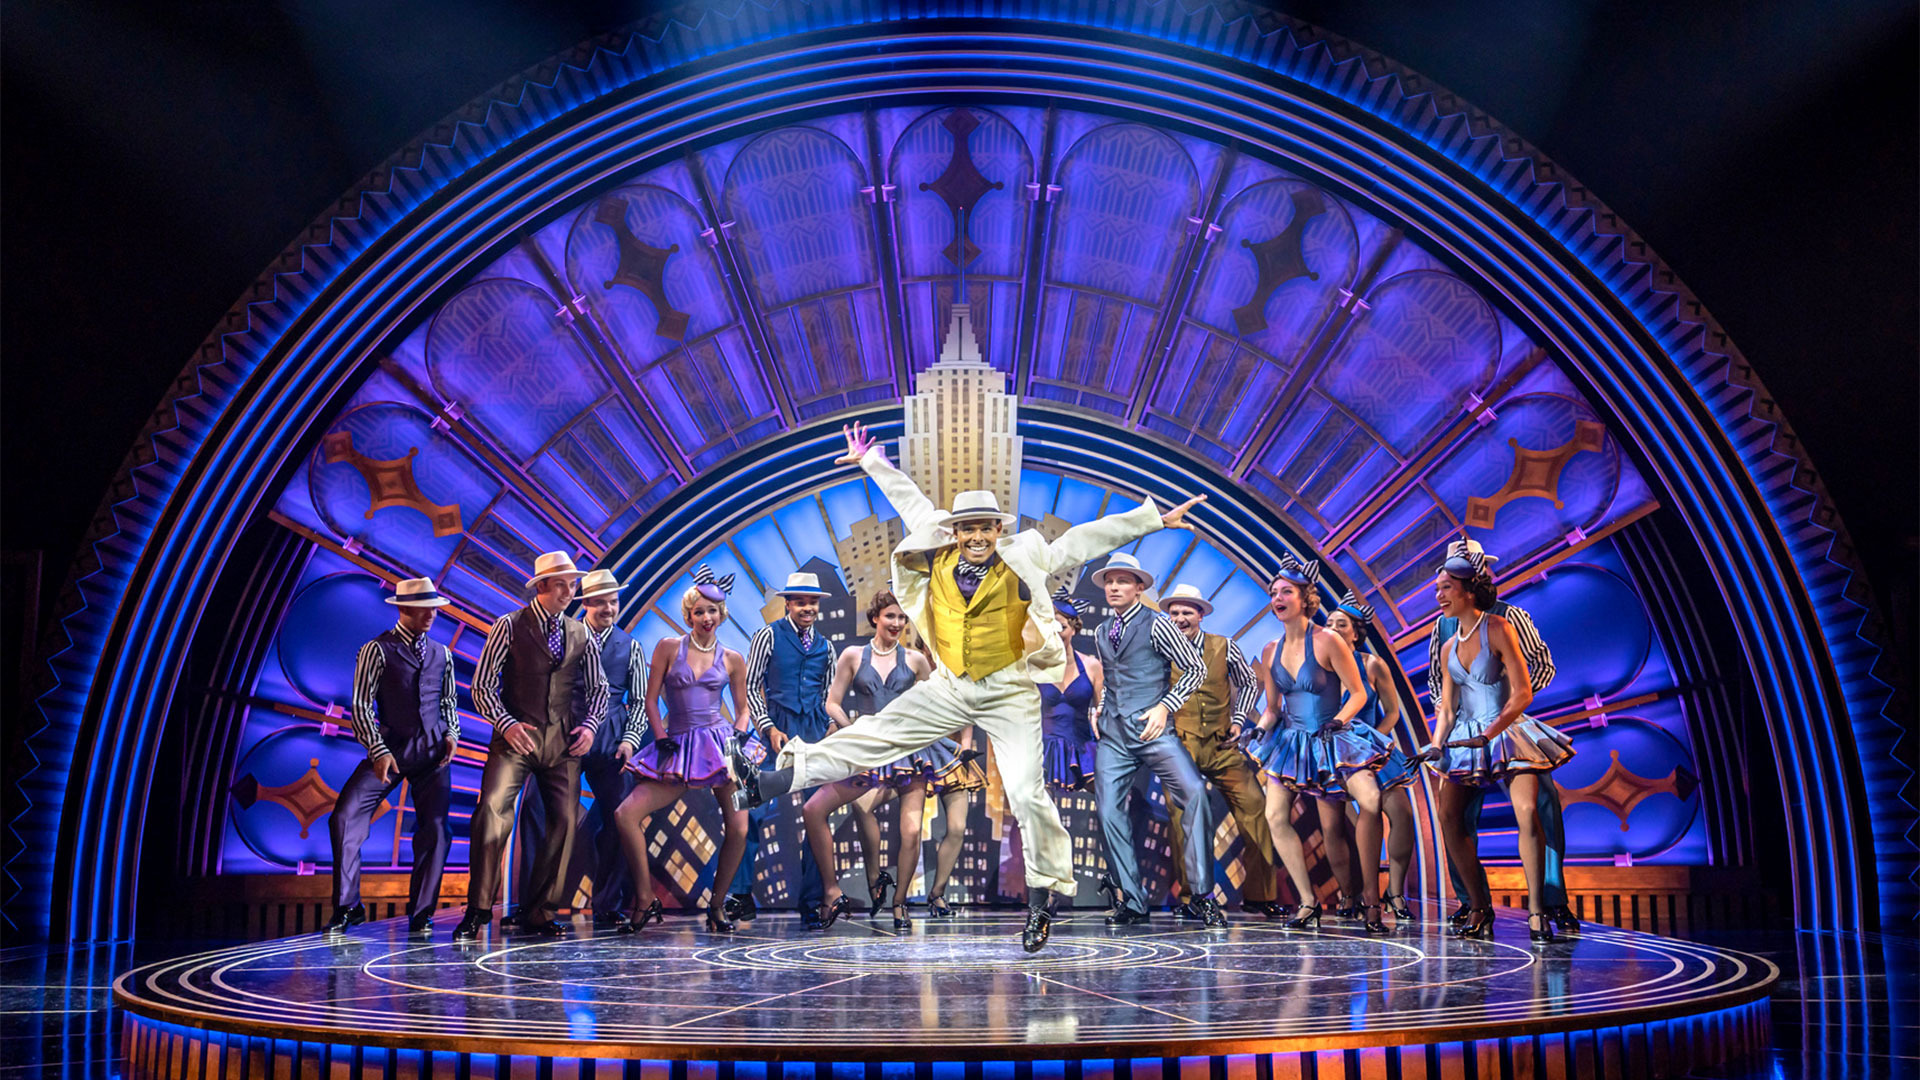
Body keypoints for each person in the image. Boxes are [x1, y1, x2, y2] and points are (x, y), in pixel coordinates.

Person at [729, 421, 1206, 951]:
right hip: (954, 683)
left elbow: (1078, 541)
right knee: (874, 735)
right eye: (968, 527)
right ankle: (773, 781)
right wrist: (871, 462)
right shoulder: (936, 549)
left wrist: (1151, 520)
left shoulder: (1023, 551)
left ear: (998, 529)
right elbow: (909, 501)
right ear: (955, 530)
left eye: (986, 527)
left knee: (1027, 791)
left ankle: (1042, 899)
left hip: (1008, 687)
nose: (977, 536)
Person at [1425, 537, 1578, 935]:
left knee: (1539, 804)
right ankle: (1471, 902)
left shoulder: (1509, 619)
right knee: (1453, 815)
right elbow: (1439, 687)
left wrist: (1507, 703)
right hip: (1465, 729)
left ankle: (1549, 900)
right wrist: (1448, 733)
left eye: (1451, 580)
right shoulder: (1443, 630)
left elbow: (1539, 668)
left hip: (1509, 724)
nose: (1441, 592)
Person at [803, 591, 981, 929]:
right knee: (836, 808)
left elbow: (936, 704)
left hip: (908, 753)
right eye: (890, 617)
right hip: (868, 750)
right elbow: (832, 703)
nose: (897, 623)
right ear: (875, 618)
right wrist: (850, 727)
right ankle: (867, 881)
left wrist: (956, 735)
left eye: (902, 618)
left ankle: (899, 903)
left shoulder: (915, 660)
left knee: (911, 831)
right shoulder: (853, 656)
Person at [458, 551, 610, 940]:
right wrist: (506, 725)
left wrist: (590, 727)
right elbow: (481, 687)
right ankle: (477, 910)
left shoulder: (580, 633)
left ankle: (540, 912)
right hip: (514, 737)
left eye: (572, 584)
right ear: (540, 586)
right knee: (492, 814)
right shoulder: (508, 626)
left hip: (561, 741)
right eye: (561, 583)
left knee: (564, 821)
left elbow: (600, 690)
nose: (568, 591)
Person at [1244, 557, 1385, 932]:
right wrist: (1256, 730)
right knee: (1275, 816)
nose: (1277, 597)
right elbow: (1273, 708)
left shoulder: (1328, 639)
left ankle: (1372, 898)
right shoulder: (1271, 649)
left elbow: (1359, 693)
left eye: (1285, 591)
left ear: (1305, 598)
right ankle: (1308, 902)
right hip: (1292, 743)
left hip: (1332, 736)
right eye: (1273, 592)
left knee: (1370, 801)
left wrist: (1340, 720)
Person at [1087, 555, 1225, 928]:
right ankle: (1132, 900)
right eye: (1109, 581)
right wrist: (1099, 707)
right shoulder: (1101, 632)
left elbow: (1195, 669)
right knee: (1108, 811)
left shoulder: (1158, 625)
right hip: (1114, 734)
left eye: (1122, 581)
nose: (1114, 587)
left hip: (1153, 730)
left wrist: (1165, 707)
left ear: (1139, 588)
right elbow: (1112, 680)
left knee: (1194, 792)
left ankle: (1202, 896)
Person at [614, 566, 753, 933]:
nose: (707, 617)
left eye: (713, 611)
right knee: (626, 814)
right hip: (676, 743)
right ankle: (644, 900)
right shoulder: (668, 647)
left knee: (739, 828)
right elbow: (648, 699)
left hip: (719, 746)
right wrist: (659, 736)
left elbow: (743, 708)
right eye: (700, 611)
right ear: (688, 615)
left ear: (721, 614)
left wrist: (738, 737)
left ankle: (718, 906)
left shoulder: (732, 658)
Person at [325, 576, 459, 936]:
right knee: (345, 815)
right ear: (404, 609)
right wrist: (378, 749)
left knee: (436, 829)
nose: (431, 613)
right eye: (424, 608)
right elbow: (359, 705)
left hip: (432, 752)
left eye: (434, 607)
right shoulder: (376, 649)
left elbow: (448, 701)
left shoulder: (442, 653)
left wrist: (451, 733)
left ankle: (421, 913)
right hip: (390, 746)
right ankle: (348, 906)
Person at [1159, 583, 1282, 919]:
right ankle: (1191, 898)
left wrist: (1239, 721)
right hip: (1179, 745)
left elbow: (1247, 682)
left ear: (1200, 615)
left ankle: (1261, 894)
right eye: (1175, 613)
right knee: (1183, 816)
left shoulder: (1224, 646)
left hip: (1221, 743)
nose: (1180, 618)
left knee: (1255, 806)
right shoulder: (1160, 650)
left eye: (1187, 612)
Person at [732, 570, 839, 928]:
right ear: (789, 603)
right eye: (801, 601)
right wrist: (767, 727)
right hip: (771, 730)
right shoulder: (768, 636)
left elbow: (828, 695)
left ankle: (811, 902)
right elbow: (751, 687)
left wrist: (830, 729)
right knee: (750, 809)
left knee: (816, 813)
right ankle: (740, 894)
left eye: (812, 602)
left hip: (811, 732)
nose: (807, 607)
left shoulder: (827, 647)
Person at [1326, 592, 1418, 922]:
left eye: (1341, 624)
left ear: (1356, 632)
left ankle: (1394, 891)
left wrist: (1373, 740)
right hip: (1331, 752)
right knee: (1333, 825)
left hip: (1370, 746)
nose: (1333, 628)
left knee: (1401, 813)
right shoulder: (1320, 665)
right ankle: (1351, 895)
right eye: (1329, 623)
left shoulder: (1372, 664)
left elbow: (1393, 712)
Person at [1038, 589, 1108, 908]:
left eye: (1061, 625)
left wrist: (1100, 722)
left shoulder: (1092, 665)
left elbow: (1102, 704)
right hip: (1046, 747)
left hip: (1083, 745)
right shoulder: (1033, 666)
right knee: (1049, 822)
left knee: (1111, 809)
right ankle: (1051, 888)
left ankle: (1118, 882)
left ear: (1074, 628)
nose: (1055, 631)